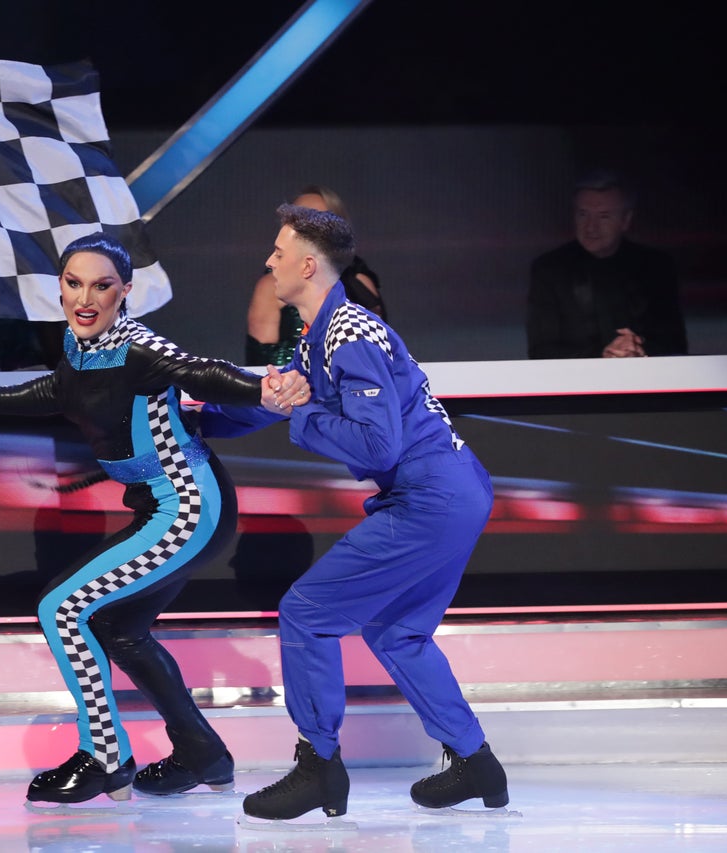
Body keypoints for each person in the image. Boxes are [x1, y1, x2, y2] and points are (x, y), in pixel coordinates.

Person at [0, 232, 308, 808]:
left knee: (61, 608)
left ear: (125, 292)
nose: (85, 298)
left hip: (188, 505)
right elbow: (59, 391)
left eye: (101, 286)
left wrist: (263, 391)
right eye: (73, 284)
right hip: (159, 506)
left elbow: (202, 371)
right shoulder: (79, 345)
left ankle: (105, 757)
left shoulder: (138, 348)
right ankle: (202, 753)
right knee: (118, 628)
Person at [198, 205, 507, 822]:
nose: (268, 261)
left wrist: (300, 414)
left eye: (279, 252)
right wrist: (188, 423)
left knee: (305, 612)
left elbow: (377, 446)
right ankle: (477, 765)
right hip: (454, 491)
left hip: (432, 496)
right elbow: (268, 403)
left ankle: (318, 766)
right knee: (396, 632)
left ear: (307, 265)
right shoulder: (321, 334)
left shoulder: (350, 333)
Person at [527, 170, 688, 359]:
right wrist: (603, 356)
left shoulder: (656, 266)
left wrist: (639, 349)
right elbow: (541, 351)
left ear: (625, 220)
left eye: (603, 216)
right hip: (575, 383)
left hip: (645, 380)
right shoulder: (549, 269)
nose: (591, 227)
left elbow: (675, 345)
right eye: (583, 214)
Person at [246, 185, 384, 365]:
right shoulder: (273, 286)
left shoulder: (358, 289)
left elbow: (376, 363)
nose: (270, 262)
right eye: (299, 222)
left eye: (316, 223)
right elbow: (262, 365)